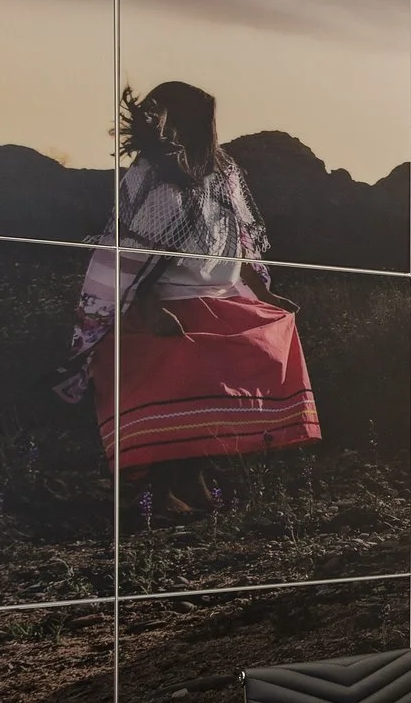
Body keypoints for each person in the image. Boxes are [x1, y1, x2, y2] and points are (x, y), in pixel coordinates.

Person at [55, 81, 319, 523]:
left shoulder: (224, 171)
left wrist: (264, 291)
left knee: (225, 384)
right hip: (168, 304)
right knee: (181, 390)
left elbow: (241, 237)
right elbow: (131, 249)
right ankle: (159, 495)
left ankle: (188, 482)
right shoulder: (152, 174)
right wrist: (148, 308)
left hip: (221, 298)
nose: (212, 129)